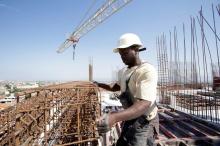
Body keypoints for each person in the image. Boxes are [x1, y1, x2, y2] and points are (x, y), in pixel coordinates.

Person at [95, 33, 159, 146]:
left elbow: (144, 103)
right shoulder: (124, 71)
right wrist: (98, 84)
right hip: (130, 116)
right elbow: (115, 86)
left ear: (136, 49)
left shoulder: (146, 70)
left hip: (145, 121)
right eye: (120, 54)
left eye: (125, 53)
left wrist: (115, 117)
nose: (122, 57)